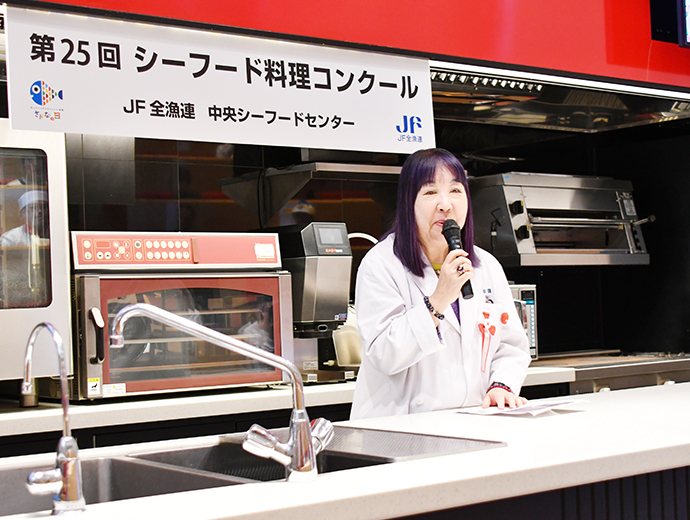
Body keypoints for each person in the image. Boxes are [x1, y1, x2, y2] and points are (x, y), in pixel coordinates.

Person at [350, 148, 531, 419]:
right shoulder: (381, 264)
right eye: (430, 192)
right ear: (409, 203)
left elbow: (511, 345)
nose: (445, 204)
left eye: (455, 190)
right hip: (401, 426)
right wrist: (439, 299)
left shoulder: (486, 265)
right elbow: (384, 354)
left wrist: (501, 385)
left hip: (472, 422)